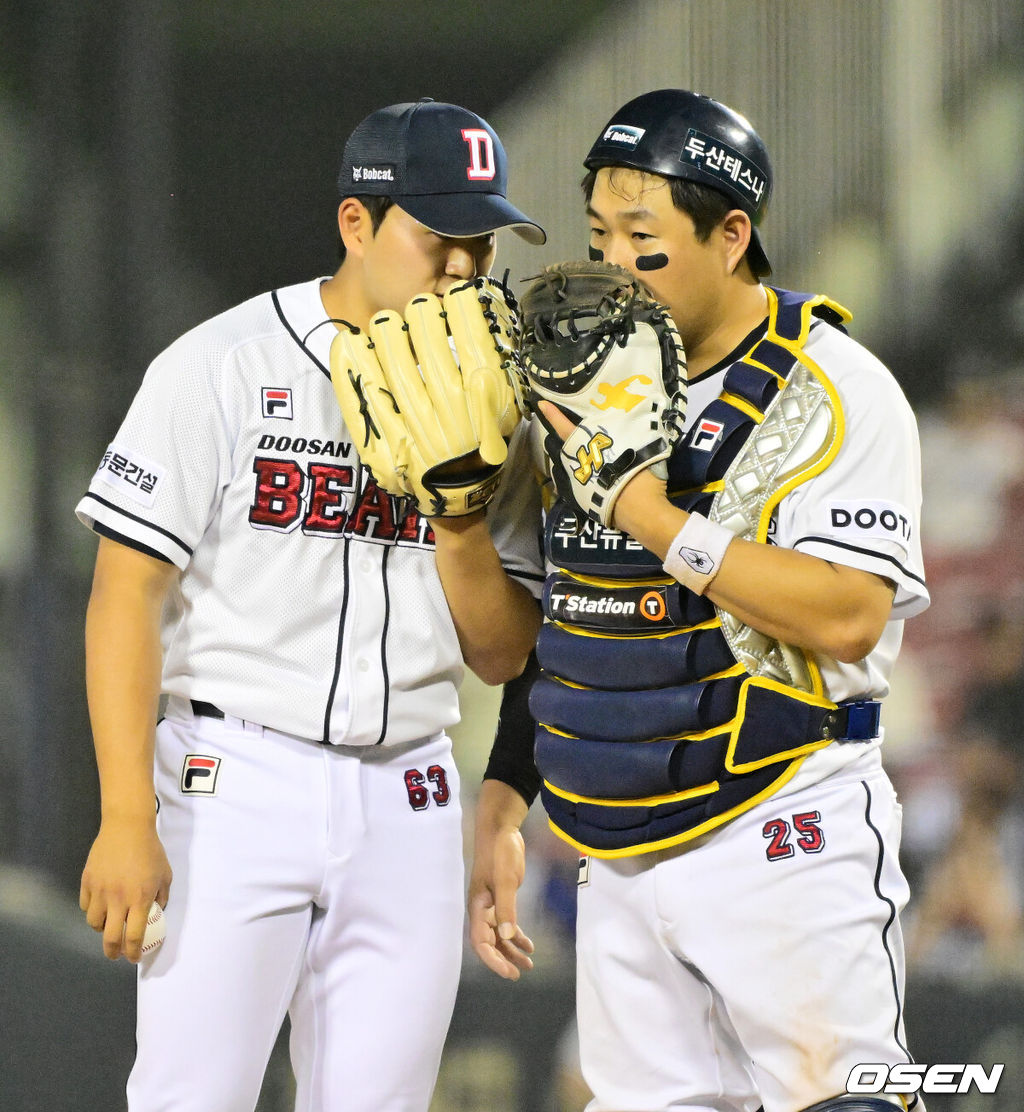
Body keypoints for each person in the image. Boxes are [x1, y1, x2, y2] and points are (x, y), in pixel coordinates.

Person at [76, 97, 546, 1112]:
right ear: (355, 224)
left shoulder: (501, 401)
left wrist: (460, 521)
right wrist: (123, 815)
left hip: (409, 798)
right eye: (438, 238)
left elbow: (504, 653)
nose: (463, 267)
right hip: (233, 778)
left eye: (481, 242)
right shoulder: (224, 364)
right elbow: (124, 593)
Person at [469, 89, 930, 1112]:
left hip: (782, 822)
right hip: (615, 841)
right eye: (599, 234)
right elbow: (546, 624)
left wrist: (652, 513)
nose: (614, 264)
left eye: (644, 238)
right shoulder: (575, 378)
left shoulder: (833, 387)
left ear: (732, 235)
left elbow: (852, 611)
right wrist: (504, 791)